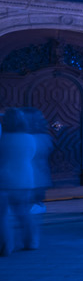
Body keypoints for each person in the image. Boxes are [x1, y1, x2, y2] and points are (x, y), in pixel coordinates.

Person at [0, 108, 45, 254]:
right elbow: (31, 156)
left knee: (2, 216)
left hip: (4, 180)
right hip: (25, 179)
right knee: (24, 213)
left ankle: (5, 247)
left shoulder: (3, 138)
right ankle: (31, 242)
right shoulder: (29, 138)